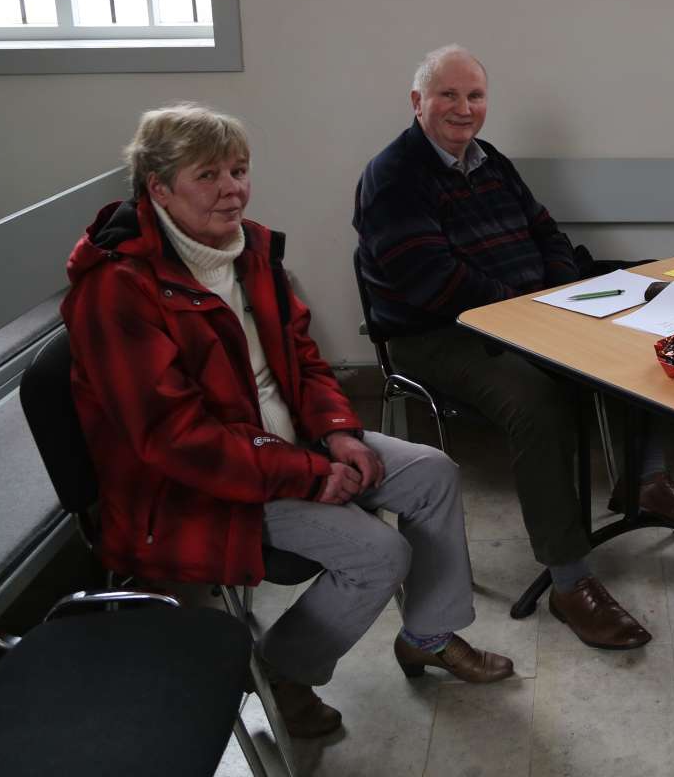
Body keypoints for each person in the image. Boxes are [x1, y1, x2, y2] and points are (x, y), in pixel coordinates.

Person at [62, 104, 511, 742]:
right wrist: (308, 471)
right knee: (378, 554)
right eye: (207, 175)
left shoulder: (250, 250)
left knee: (432, 472)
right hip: (191, 484)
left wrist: (336, 431)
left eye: (239, 170)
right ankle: (283, 672)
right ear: (158, 189)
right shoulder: (118, 290)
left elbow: (303, 357)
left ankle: (428, 636)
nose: (232, 189)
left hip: (286, 446)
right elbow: (175, 438)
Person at [353, 44, 674, 652]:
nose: (463, 108)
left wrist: (554, 290)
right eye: (447, 95)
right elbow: (433, 281)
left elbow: (545, 231)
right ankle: (569, 581)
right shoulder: (392, 176)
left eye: (474, 96)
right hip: (438, 332)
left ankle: (645, 481)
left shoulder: (489, 160)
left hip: (524, 308)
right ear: (418, 102)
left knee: (645, 321)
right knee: (537, 397)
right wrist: (527, 310)